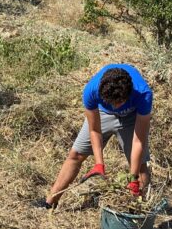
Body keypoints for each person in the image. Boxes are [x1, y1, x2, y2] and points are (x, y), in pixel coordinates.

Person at [38, 64, 153, 209]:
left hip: (132, 116)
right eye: (113, 103)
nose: (116, 106)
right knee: (76, 154)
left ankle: (138, 210)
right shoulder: (91, 91)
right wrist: (99, 164)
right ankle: (50, 201)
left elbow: (138, 141)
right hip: (103, 113)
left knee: (140, 165)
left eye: (120, 102)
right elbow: (94, 130)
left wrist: (133, 179)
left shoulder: (143, 94)